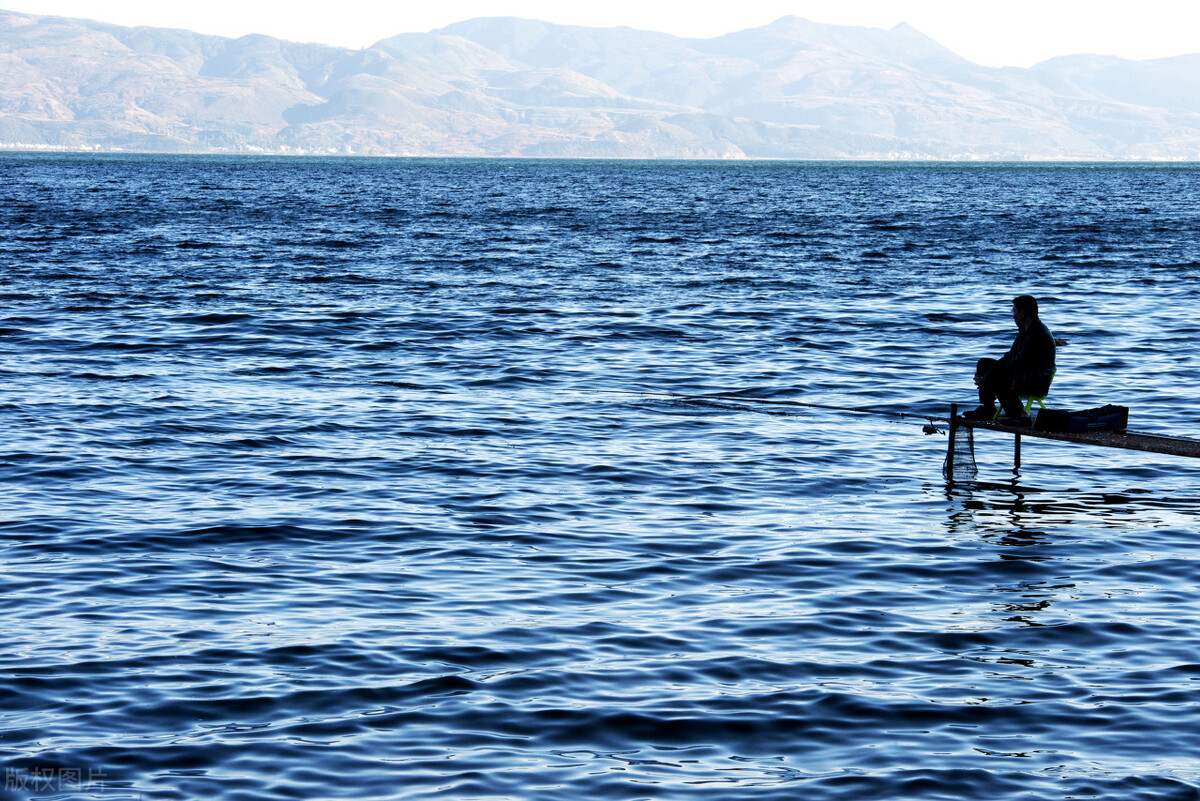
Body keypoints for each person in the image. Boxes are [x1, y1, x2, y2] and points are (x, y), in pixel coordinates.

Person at [964, 295, 1056, 425]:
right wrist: (985, 375)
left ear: (1023, 313)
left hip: (1035, 380)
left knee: (994, 376)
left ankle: (1021, 414)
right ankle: (988, 408)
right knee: (983, 364)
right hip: (1022, 374)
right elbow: (1010, 357)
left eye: (1014, 311)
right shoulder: (1025, 331)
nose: (1013, 316)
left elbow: (1019, 364)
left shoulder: (1038, 334)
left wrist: (987, 378)